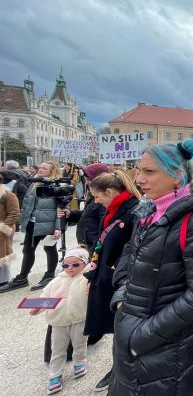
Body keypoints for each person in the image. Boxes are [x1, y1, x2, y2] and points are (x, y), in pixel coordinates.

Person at [109, 140, 193, 395]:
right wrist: (121, 300)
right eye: (139, 170)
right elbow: (129, 257)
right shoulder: (147, 210)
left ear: (177, 176)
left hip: (170, 347)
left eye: (149, 172)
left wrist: (142, 337)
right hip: (132, 334)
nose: (139, 178)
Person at [82, 170, 140, 392]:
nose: (96, 202)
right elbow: (103, 242)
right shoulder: (113, 210)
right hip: (107, 276)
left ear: (110, 192)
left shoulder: (132, 212)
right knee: (117, 329)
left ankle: (121, 369)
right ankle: (119, 367)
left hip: (122, 281)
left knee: (124, 329)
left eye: (98, 197)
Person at [30, 247, 90, 395]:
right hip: (58, 320)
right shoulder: (56, 281)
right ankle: (55, 375)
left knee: (80, 343)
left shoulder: (87, 279)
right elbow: (45, 297)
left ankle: (79, 363)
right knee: (57, 349)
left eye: (75, 265)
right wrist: (37, 308)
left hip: (79, 318)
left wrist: (93, 290)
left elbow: (96, 296)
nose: (70, 268)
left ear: (84, 264)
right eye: (66, 265)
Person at [0, 162, 62, 293]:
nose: (40, 170)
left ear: (52, 171)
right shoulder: (35, 183)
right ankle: (22, 277)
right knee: (27, 250)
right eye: (40, 167)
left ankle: (50, 275)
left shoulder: (57, 185)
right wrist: (23, 220)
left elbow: (61, 208)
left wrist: (58, 227)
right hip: (32, 223)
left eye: (44, 168)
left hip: (48, 224)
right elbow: (28, 203)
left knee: (49, 248)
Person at [0, 174, 20, 287]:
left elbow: (14, 213)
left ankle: (4, 281)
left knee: (3, 254)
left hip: (2, 231)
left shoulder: (8, 195)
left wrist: (4, 227)